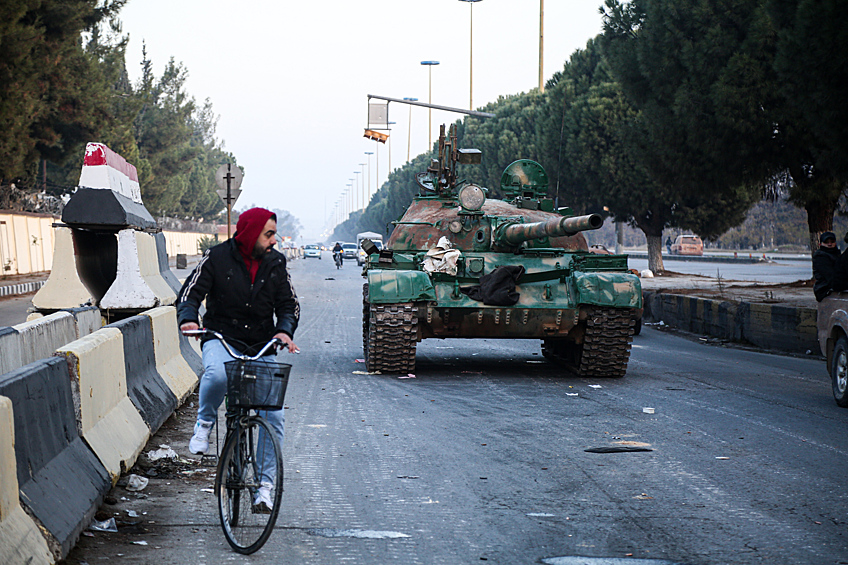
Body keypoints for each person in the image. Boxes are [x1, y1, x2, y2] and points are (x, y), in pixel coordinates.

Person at [177, 207, 299, 512]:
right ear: (250, 233)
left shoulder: (276, 263)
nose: (274, 240)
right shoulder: (216, 257)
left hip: (261, 344)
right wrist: (190, 319)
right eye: (268, 234)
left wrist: (283, 331)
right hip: (222, 338)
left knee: (274, 416)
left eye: (274, 234)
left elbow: (289, 305)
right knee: (216, 375)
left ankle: (265, 487)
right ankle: (204, 423)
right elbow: (189, 295)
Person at [813, 231, 840, 301]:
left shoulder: (837, 255)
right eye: (826, 242)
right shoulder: (820, 256)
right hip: (824, 289)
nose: (829, 244)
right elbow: (830, 275)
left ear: (835, 243)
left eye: (832, 242)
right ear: (820, 244)